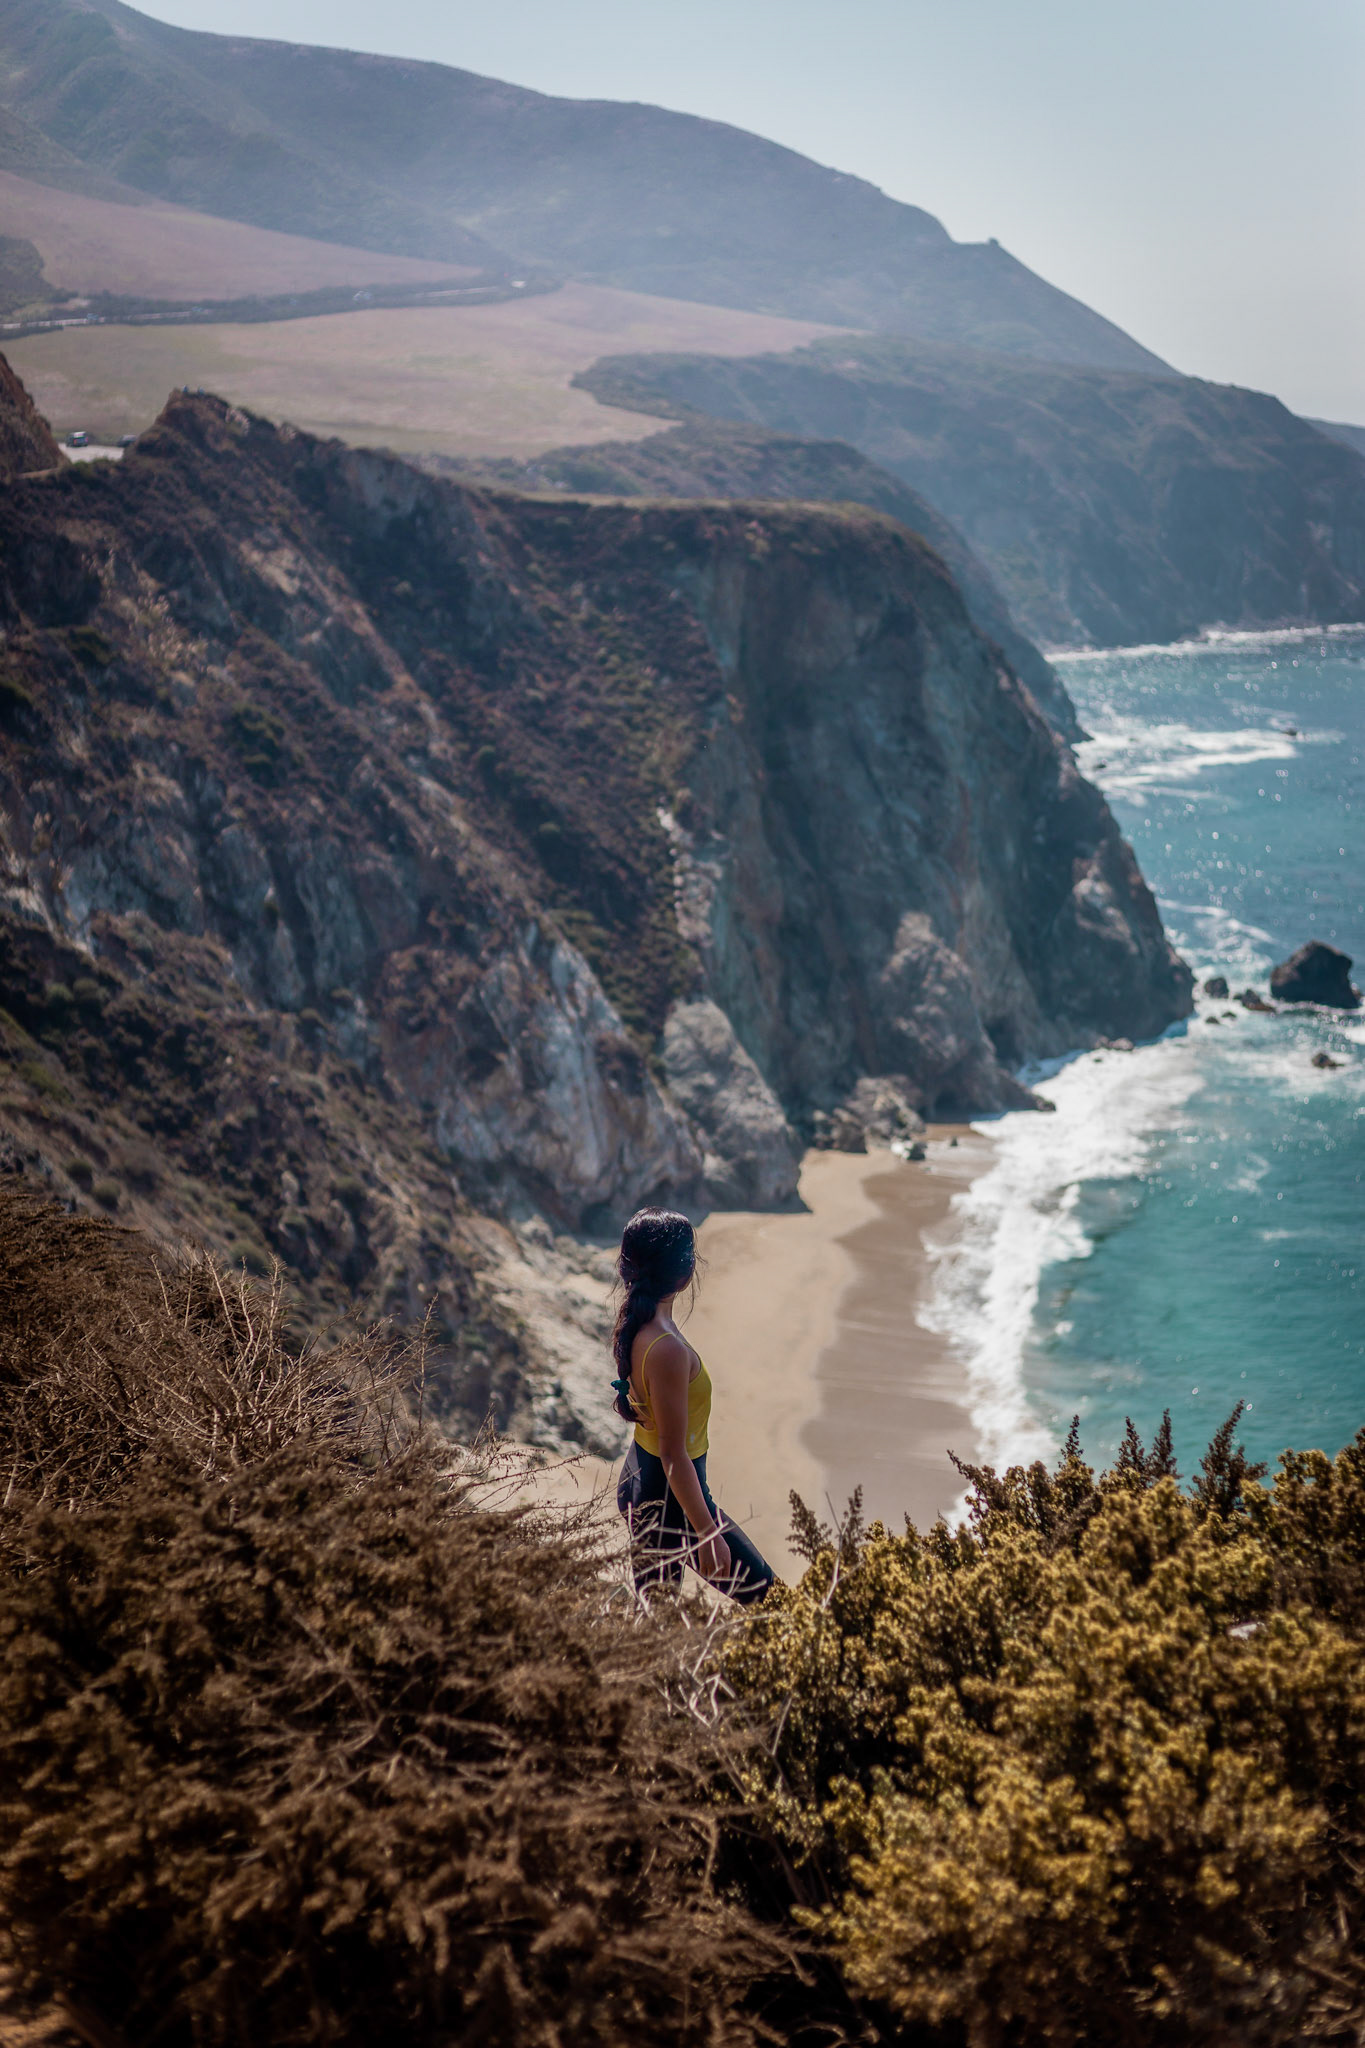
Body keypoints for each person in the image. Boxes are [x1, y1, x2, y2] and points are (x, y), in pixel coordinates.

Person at [612, 1207, 775, 1604]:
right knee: (774, 1602)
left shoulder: (640, 1323)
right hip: (671, 1502)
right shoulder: (666, 1347)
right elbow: (673, 1454)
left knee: (659, 1623)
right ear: (684, 1274)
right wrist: (708, 1532)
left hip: (639, 1479)